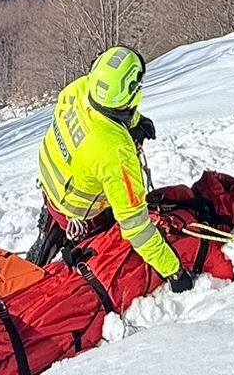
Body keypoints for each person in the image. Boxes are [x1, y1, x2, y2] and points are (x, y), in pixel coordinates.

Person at [27, 47, 194, 291]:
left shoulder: (80, 88)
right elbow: (135, 225)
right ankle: (76, 244)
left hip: (53, 177)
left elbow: (105, 115)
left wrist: (135, 123)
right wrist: (174, 271)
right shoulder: (116, 153)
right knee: (112, 239)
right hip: (80, 210)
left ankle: (52, 228)